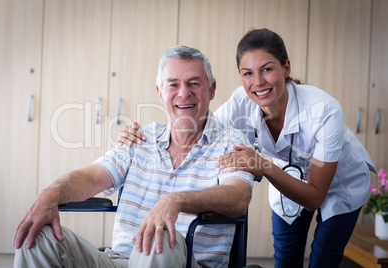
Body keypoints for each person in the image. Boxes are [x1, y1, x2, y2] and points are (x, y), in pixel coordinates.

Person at [118, 28, 376, 268]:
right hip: (287, 176)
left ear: (286, 68)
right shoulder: (240, 103)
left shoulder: (323, 110)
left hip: (340, 182)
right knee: (286, 257)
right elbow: (202, 130)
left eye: (267, 69)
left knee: (324, 257)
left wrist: (264, 166)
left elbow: (314, 196)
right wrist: (143, 136)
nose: (258, 82)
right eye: (247, 73)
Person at [12, 46, 256, 268]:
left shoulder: (231, 142)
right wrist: (50, 194)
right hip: (118, 261)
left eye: (194, 83)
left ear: (211, 89)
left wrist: (177, 200)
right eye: (173, 84)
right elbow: (90, 177)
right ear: (160, 92)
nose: (184, 93)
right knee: (38, 235)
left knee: (160, 235)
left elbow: (237, 197)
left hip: (188, 262)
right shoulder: (140, 138)